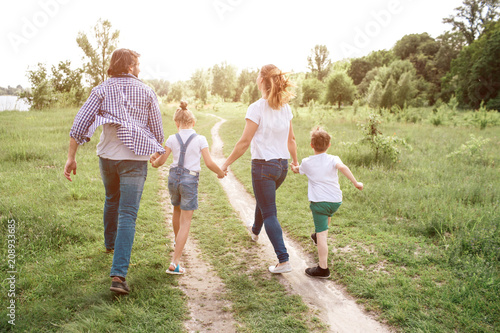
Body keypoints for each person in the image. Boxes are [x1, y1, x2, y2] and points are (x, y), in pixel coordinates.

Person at [64, 48, 165, 295]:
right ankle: (118, 276)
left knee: (112, 198)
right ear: (130, 66)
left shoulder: (101, 89)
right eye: (138, 64)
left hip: (108, 157)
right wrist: (153, 148)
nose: (140, 68)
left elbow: (79, 124)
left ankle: (110, 245)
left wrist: (71, 157)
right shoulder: (147, 91)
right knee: (127, 214)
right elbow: (158, 131)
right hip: (134, 160)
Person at [221, 64, 298, 274]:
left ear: (262, 81)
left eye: (257, 76)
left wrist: (225, 163)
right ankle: (255, 231)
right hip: (281, 166)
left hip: (264, 166)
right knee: (265, 201)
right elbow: (291, 139)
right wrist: (295, 161)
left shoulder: (257, 107)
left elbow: (244, 142)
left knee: (269, 211)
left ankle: (283, 260)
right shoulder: (286, 107)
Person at [150, 101, 225, 274]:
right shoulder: (200, 139)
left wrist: (154, 163)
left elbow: (161, 161)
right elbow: (208, 163)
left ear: (177, 123)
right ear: (193, 122)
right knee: (186, 221)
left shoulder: (171, 138)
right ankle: (175, 262)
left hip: (173, 178)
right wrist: (220, 172)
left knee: (176, 211)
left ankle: (178, 247)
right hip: (189, 180)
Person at [291, 127, 363, 278]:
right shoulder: (334, 158)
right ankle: (317, 236)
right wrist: (356, 183)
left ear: (311, 145)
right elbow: (342, 167)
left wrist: (294, 167)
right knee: (325, 221)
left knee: (322, 234)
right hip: (335, 201)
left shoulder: (307, 162)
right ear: (329, 145)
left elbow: (297, 170)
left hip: (320, 203)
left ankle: (323, 268)